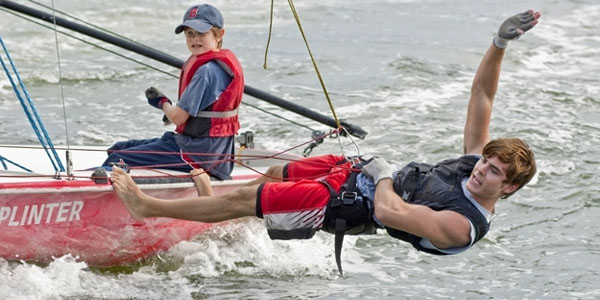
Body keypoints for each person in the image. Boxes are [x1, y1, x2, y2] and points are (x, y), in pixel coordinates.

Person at [110, 10, 540, 272]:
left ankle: (149, 206)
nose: (482, 169)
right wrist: (499, 42)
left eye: (494, 172)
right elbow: (482, 96)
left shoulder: (461, 227)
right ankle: (219, 211)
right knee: (276, 170)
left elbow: (392, 211)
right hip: (359, 175)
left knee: (252, 199)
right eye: (486, 161)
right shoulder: (474, 164)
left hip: (346, 203)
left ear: (510, 188)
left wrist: (382, 171)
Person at [102, 4, 244, 180]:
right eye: (190, 33)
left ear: (219, 34)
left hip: (198, 156)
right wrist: (171, 112)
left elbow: (178, 118)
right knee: (118, 148)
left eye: (202, 33)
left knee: (118, 158)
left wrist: (161, 102)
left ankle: (99, 195)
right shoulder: (215, 66)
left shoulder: (206, 72)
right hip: (213, 153)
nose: (195, 39)